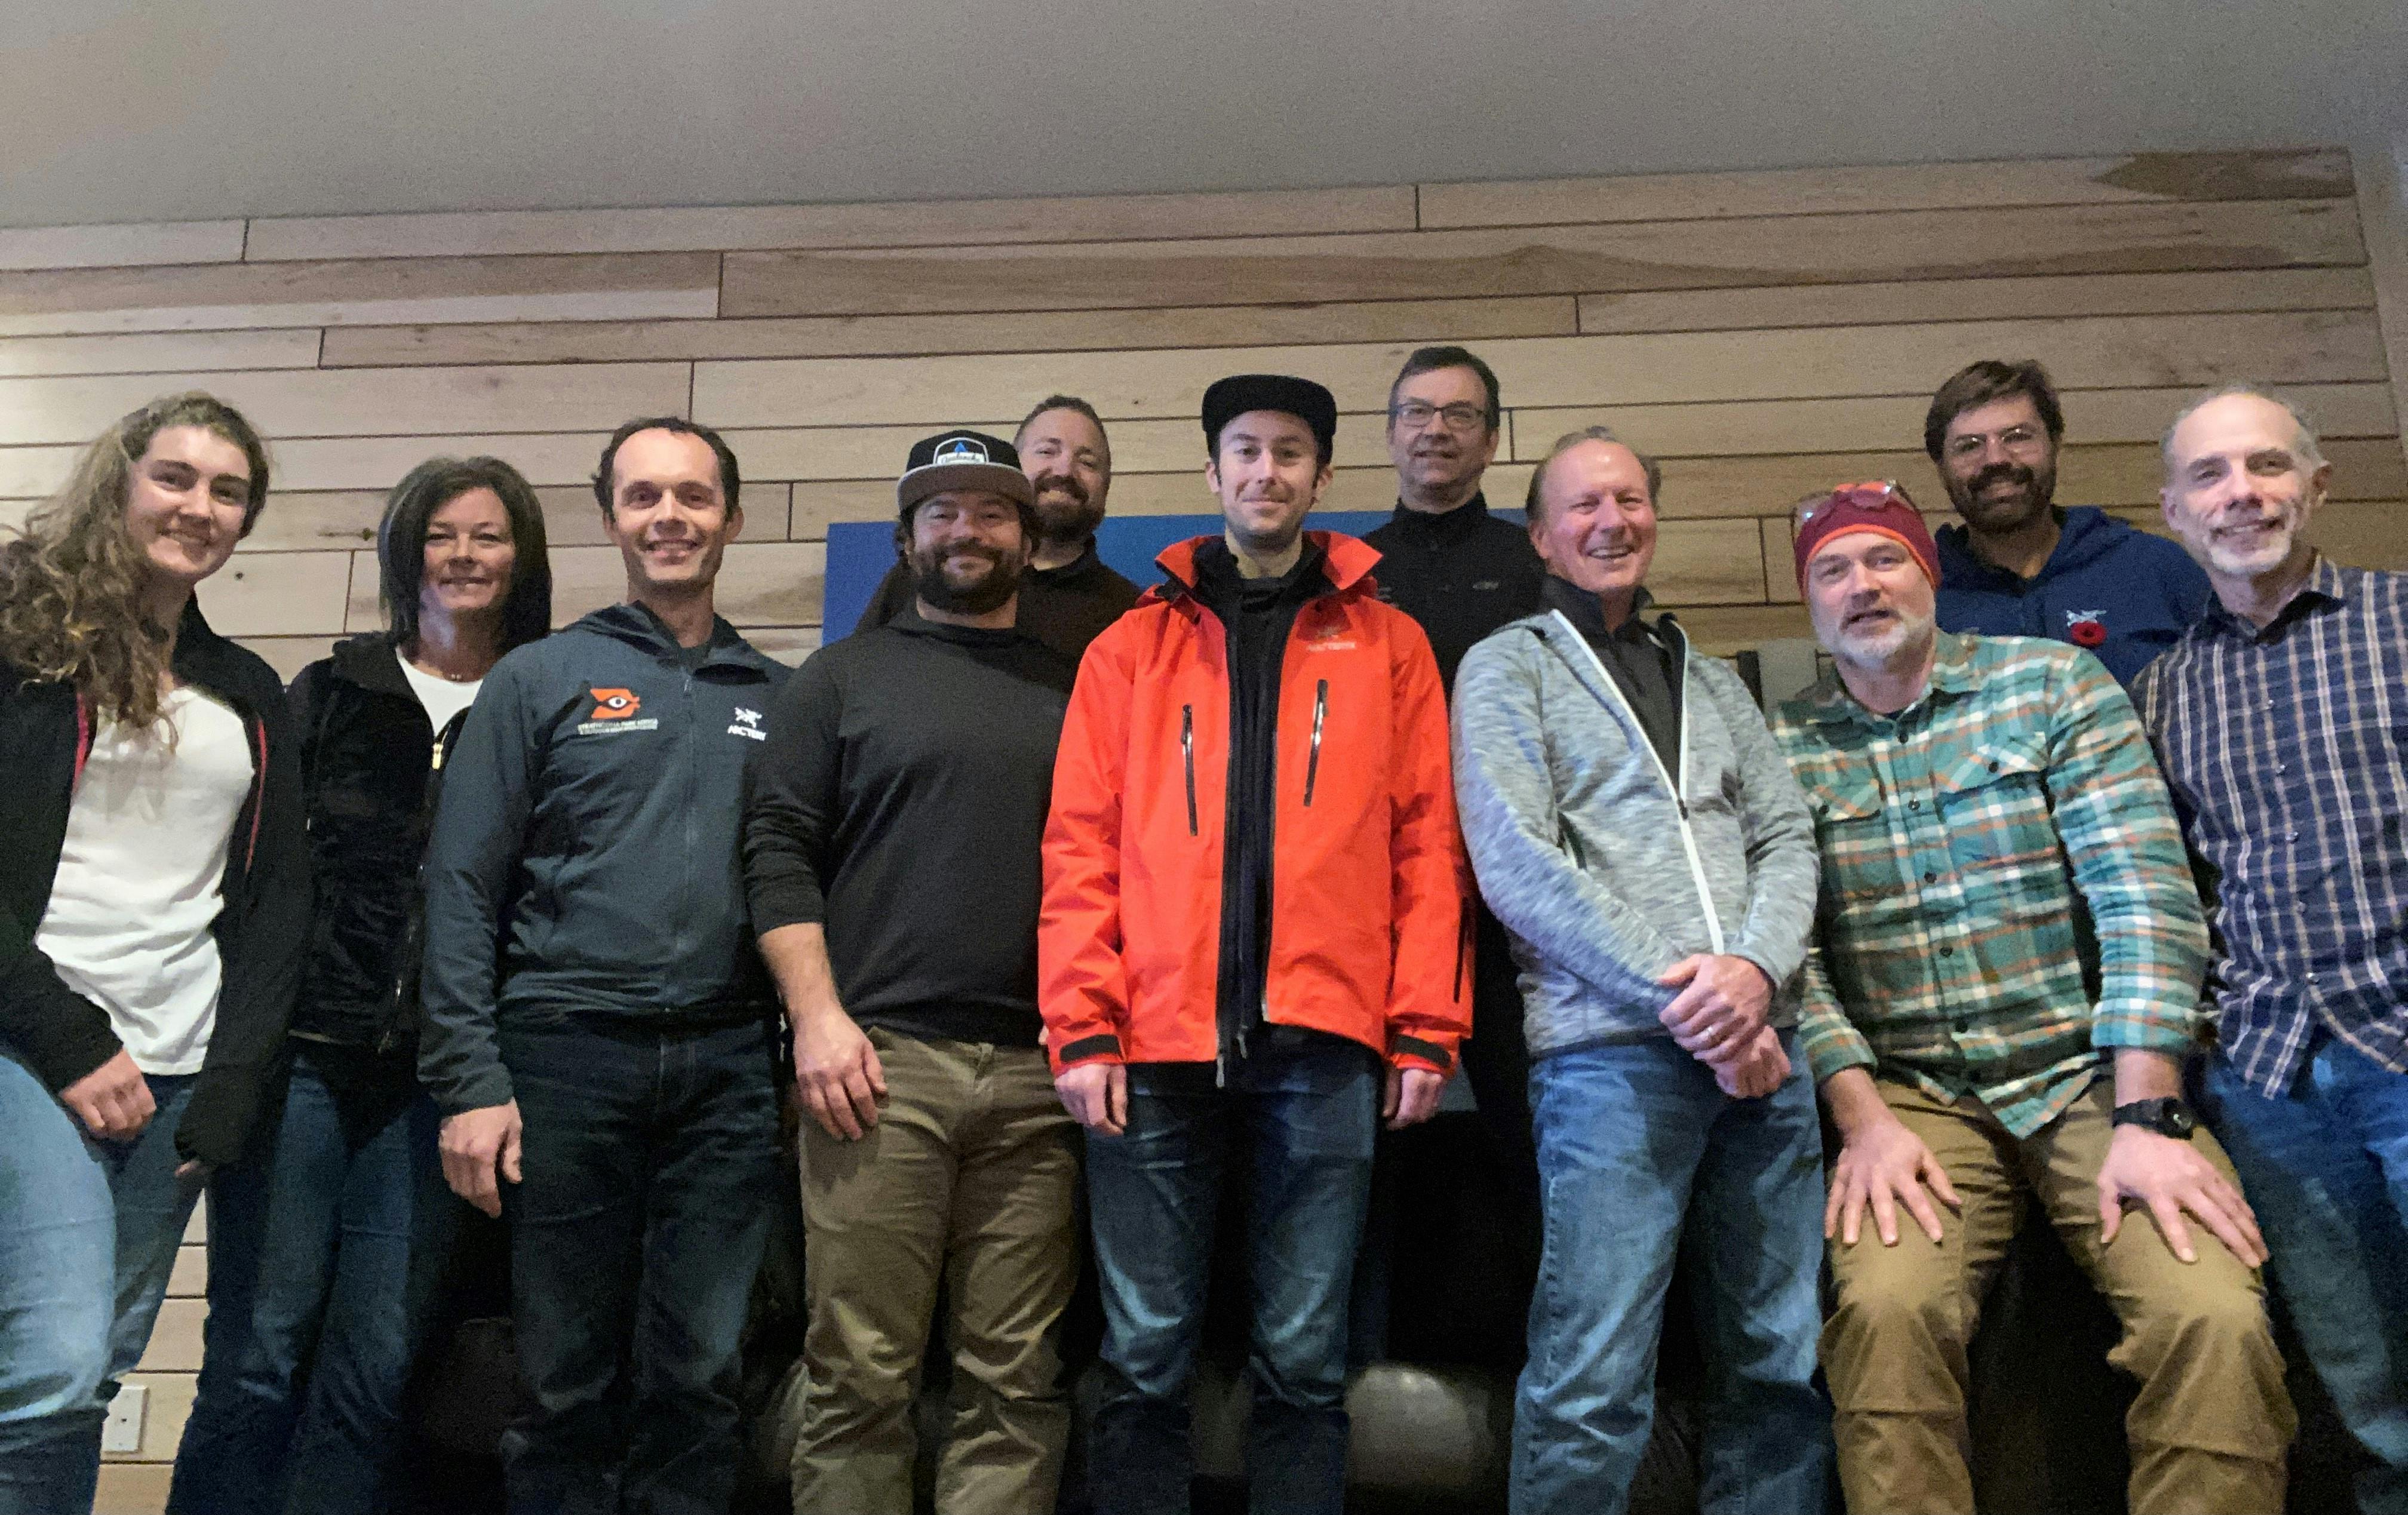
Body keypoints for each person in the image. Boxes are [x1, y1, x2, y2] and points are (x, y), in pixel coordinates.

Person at [1774, 479, 2292, 1513]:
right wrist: (1861, 1115)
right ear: (1809, 604)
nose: (1861, 586)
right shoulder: (1781, 747)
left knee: (2212, 1317)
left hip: (2088, 1079)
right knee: (1882, 1319)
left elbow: (2145, 893)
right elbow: (1793, 956)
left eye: (1884, 558)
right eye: (1832, 570)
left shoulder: (2051, 685)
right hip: (1911, 1098)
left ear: (1929, 572)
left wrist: (2148, 1106)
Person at [1042, 374, 1470, 1514]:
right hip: (1151, 1043)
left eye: (1289, 453)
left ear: (1322, 477)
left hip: (1327, 1045)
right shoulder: (1128, 650)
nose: (1266, 471)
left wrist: (1425, 1023)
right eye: (1245, 450)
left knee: (1304, 1362)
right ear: (1213, 471)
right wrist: (1081, 1023)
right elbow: (1078, 847)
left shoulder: (1390, 644)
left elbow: (1429, 845)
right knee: (1141, 1359)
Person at [1452, 426, 1829, 1515]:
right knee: (1594, 1373)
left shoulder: (1707, 678)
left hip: (1770, 1059)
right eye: (1582, 506)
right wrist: (1698, 997)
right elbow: (1517, 864)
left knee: (1776, 1365)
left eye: (1627, 498)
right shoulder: (1506, 665)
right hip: (1609, 1063)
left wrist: (1754, 973)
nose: (1609, 520)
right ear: (1541, 536)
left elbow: (1786, 840)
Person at [169, 457, 555, 1514]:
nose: (465, 556)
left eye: (489, 536)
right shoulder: (331, 691)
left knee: (375, 1366)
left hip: (443, 1083)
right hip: (305, 1059)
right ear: (405, 551)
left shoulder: (545, 697)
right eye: (442, 534)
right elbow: (261, 879)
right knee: (257, 1353)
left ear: (521, 558)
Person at [417, 417, 787, 1515]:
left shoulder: (781, 693)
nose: (668, 517)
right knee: (563, 1378)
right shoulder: (540, 678)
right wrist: (472, 1080)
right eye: (643, 497)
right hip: (564, 1057)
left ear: (731, 515)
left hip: (728, 1067)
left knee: (702, 1376)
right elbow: (461, 888)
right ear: (611, 516)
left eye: (692, 495)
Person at [746, 429, 1081, 1512]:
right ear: (906, 538)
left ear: (1027, 539)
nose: (965, 530)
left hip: (1045, 1081)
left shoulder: (1080, 688)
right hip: (876, 1071)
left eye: (990, 511)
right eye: (940, 512)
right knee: (858, 1376)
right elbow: (776, 853)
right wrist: (818, 1021)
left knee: (1017, 1383)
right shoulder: (838, 680)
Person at [0, 393, 306, 1515]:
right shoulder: (20, 644)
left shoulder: (249, 693)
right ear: (121, 480)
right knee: (55, 1359)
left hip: (176, 1068)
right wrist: (74, 1042)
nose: (200, 507)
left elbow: (276, 910)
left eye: (229, 491)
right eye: (176, 477)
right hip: (33, 1048)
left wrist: (229, 1089)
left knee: (99, 1364)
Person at [2134, 385, 2408, 1513]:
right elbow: (2172, 892)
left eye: (2264, 466)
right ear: (2173, 512)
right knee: (2366, 1389)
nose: (2239, 493)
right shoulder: (2160, 689)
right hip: (2271, 1081)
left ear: (2316, 482)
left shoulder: (2400, 623)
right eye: (2209, 476)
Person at [1357, 346, 1545, 1358]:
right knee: (1373, 1153)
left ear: (1491, 437)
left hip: (1517, 917)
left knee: (1525, 1148)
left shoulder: (1536, 566)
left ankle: (1527, 1377)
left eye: (1461, 414)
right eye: (1417, 412)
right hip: (1375, 912)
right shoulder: (1344, 574)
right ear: (1388, 432)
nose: (1436, 429)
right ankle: (1368, 1371)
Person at [1923, 359, 2210, 686]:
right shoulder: (1921, 597)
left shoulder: (2158, 569)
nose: (1996, 459)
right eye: (1969, 446)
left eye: (2017, 437)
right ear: (1941, 466)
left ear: (2055, 445)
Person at [856, 397, 1140, 660]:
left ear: (1107, 484)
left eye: (1088, 462)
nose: (1065, 470)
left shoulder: (1130, 612)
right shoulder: (925, 574)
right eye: (1047, 451)